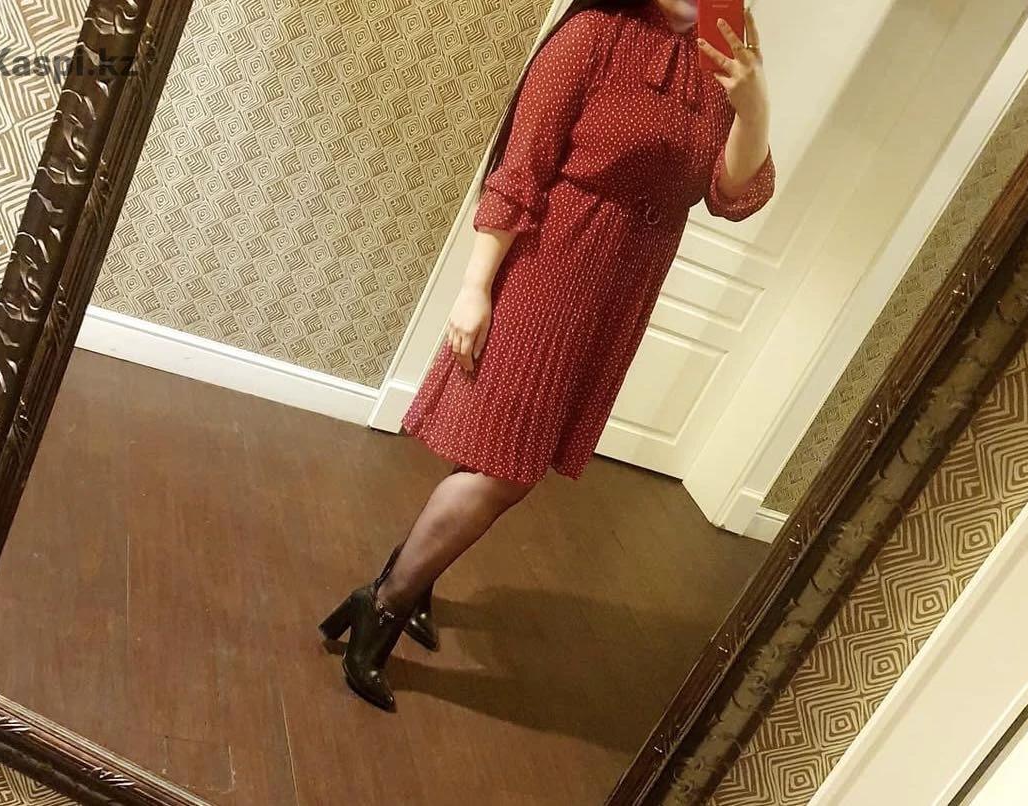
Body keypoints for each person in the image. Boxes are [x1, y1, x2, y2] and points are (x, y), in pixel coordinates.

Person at [319, 0, 775, 711]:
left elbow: (730, 193)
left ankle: (417, 575)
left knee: (498, 452)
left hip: (625, 285)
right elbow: (521, 168)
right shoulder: (592, 36)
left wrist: (754, 108)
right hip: (551, 266)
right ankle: (382, 603)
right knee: (507, 466)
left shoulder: (727, 56)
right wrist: (474, 288)